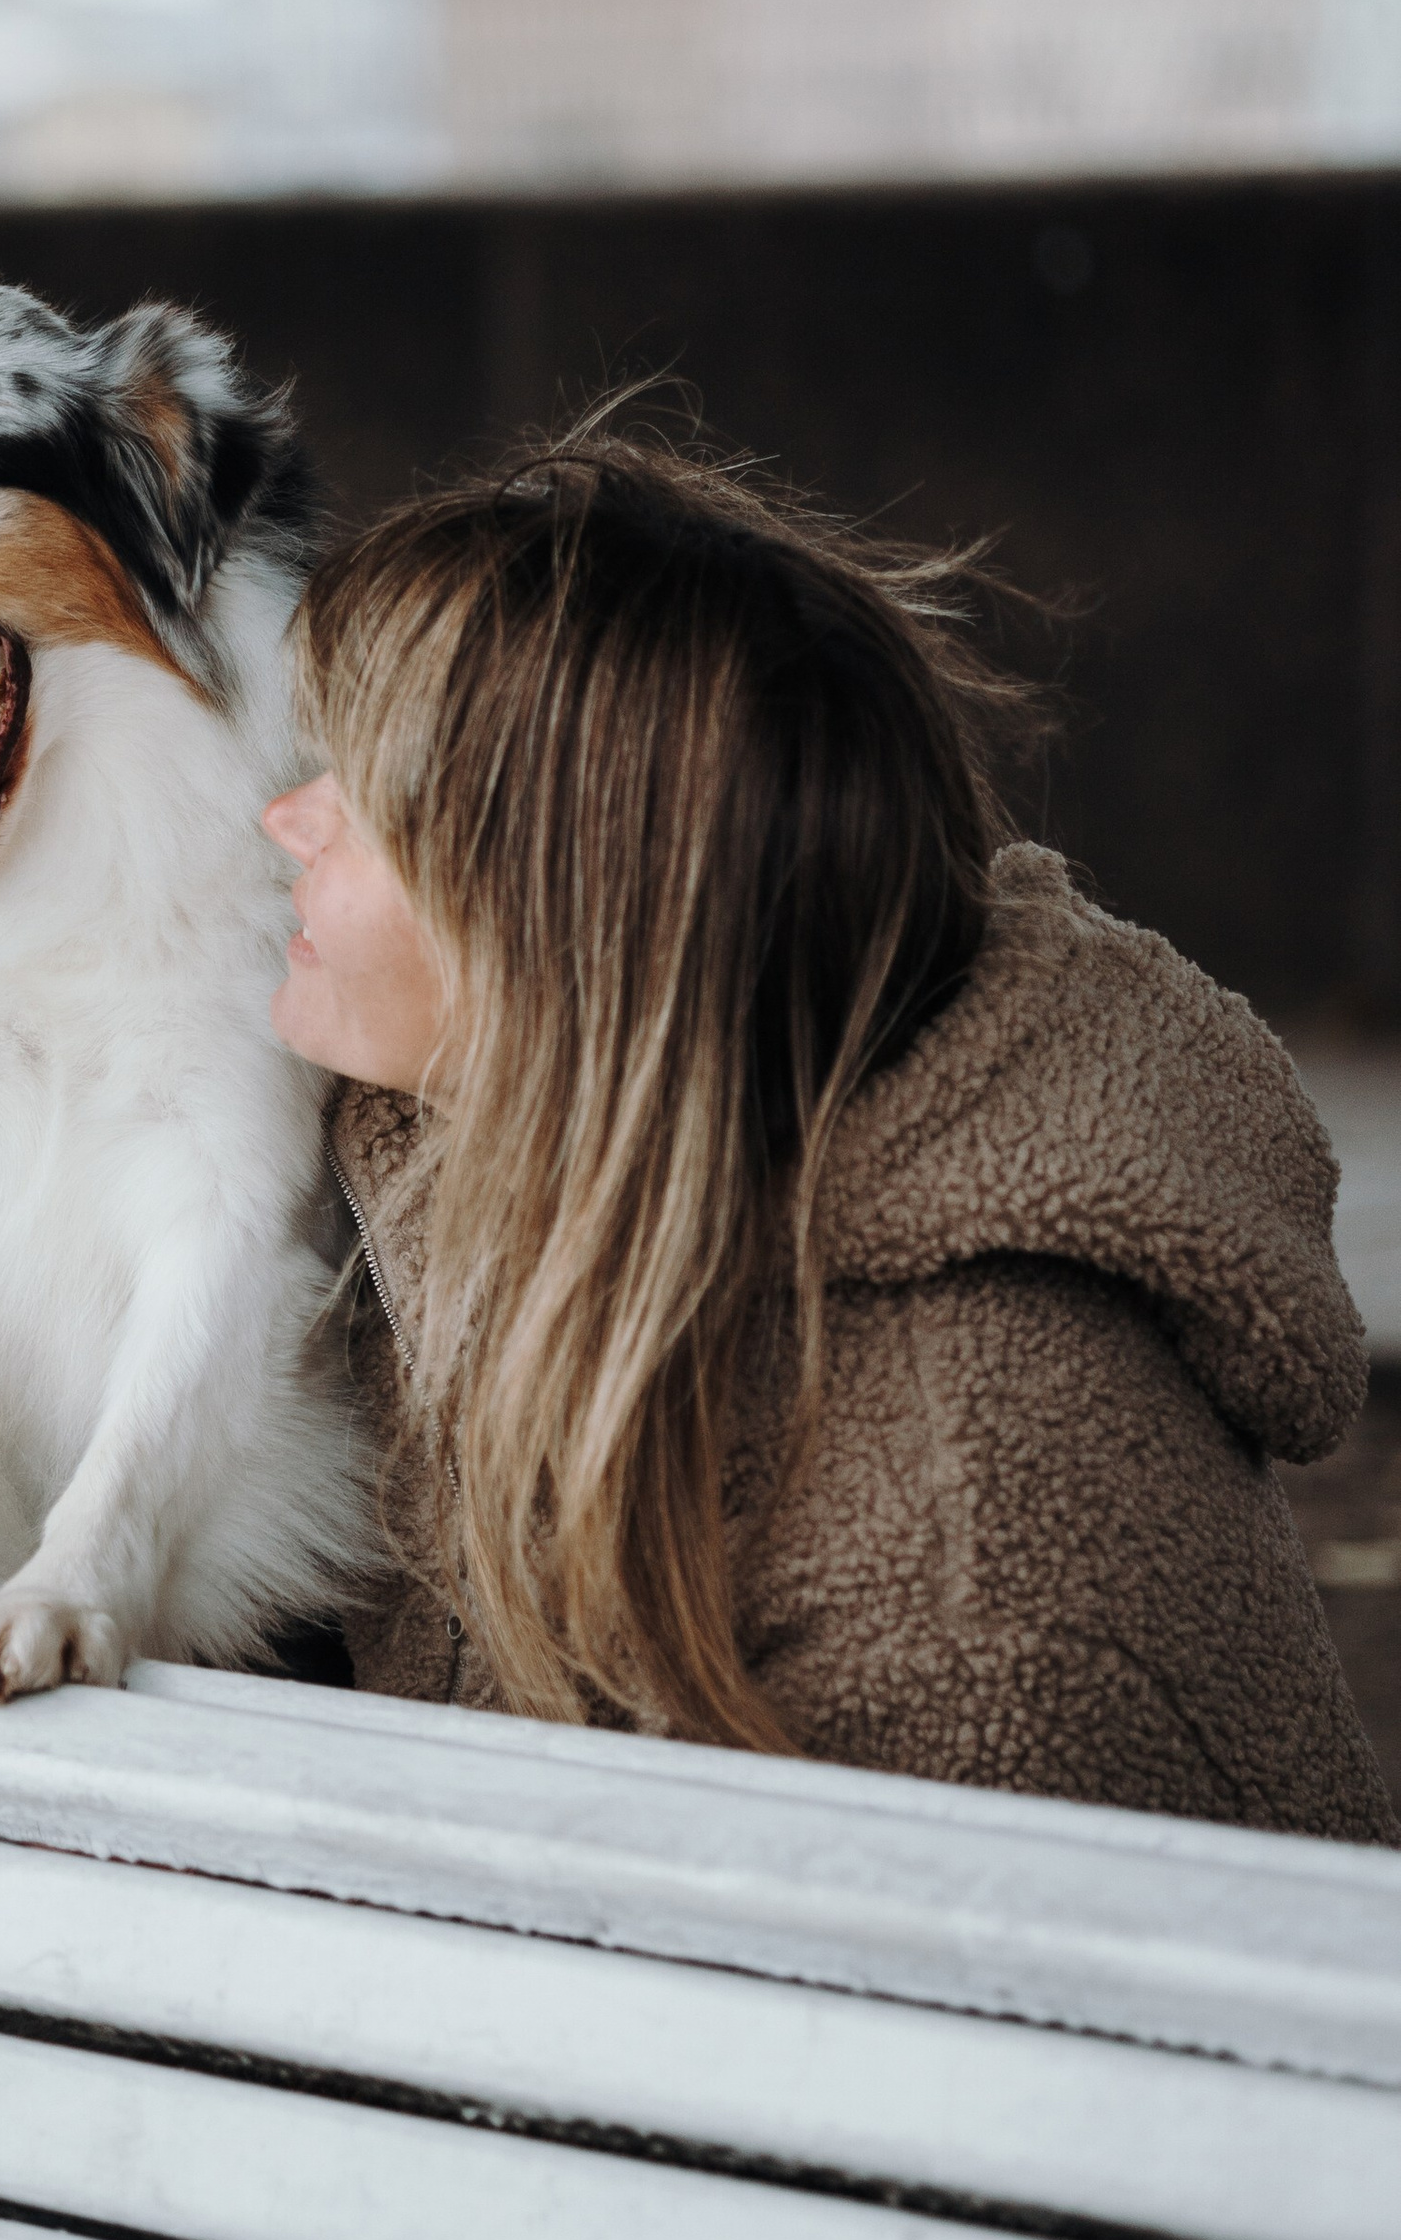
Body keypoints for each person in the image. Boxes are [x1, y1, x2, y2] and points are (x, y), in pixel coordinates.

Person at [262, 413, 1397, 1844]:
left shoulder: (964, 1589)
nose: (285, 824)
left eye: (359, 802)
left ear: (553, 937)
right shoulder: (436, 1134)